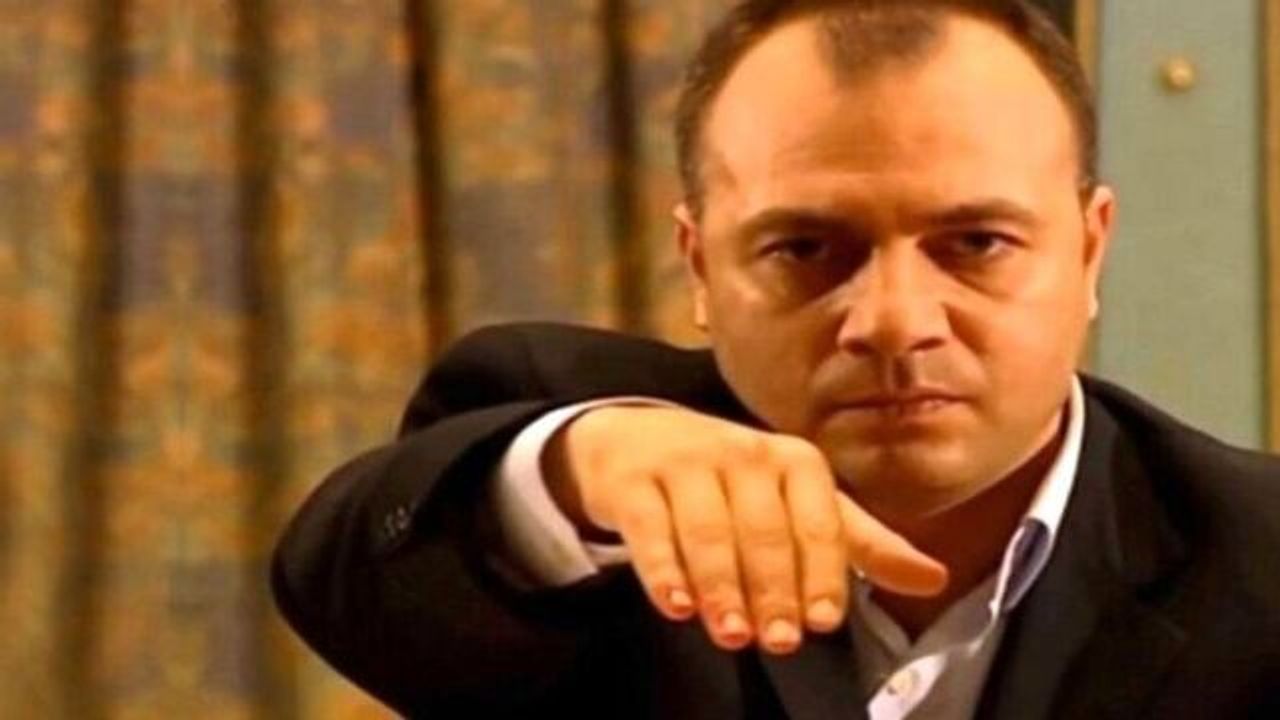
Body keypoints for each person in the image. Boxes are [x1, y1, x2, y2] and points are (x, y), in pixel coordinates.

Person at [271, 0, 1280, 717]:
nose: (892, 321)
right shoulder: (579, 459)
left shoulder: (1257, 559)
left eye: (975, 244)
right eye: (805, 249)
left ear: (1089, 251)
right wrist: (576, 477)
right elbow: (346, 583)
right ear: (699, 265)